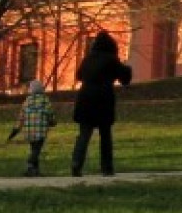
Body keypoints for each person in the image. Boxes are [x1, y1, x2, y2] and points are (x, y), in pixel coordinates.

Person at [70, 31, 133, 177]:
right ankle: (106, 167)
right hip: (103, 98)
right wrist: (126, 68)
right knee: (105, 135)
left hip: (85, 98)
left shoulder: (88, 59)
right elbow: (125, 79)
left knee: (84, 134)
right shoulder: (111, 59)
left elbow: (79, 75)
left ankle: (76, 163)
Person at [10, 79, 55, 176]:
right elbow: (50, 113)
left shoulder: (27, 101)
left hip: (29, 130)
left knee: (33, 149)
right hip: (40, 130)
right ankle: (30, 164)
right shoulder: (45, 101)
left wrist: (16, 130)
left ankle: (35, 171)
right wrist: (52, 122)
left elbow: (21, 117)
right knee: (37, 150)